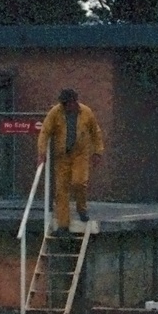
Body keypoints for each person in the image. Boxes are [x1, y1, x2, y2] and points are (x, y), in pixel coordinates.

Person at [37, 88, 104, 235]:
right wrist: (42, 152)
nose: (66, 106)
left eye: (68, 103)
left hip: (80, 154)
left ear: (75, 102)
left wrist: (98, 151)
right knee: (61, 190)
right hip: (62, 157)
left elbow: (96, 132)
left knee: (79, 182)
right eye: (64, 103)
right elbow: (45, 131)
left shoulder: (86, 112)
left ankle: (82, 208)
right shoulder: (55, 113)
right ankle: (63, 224)